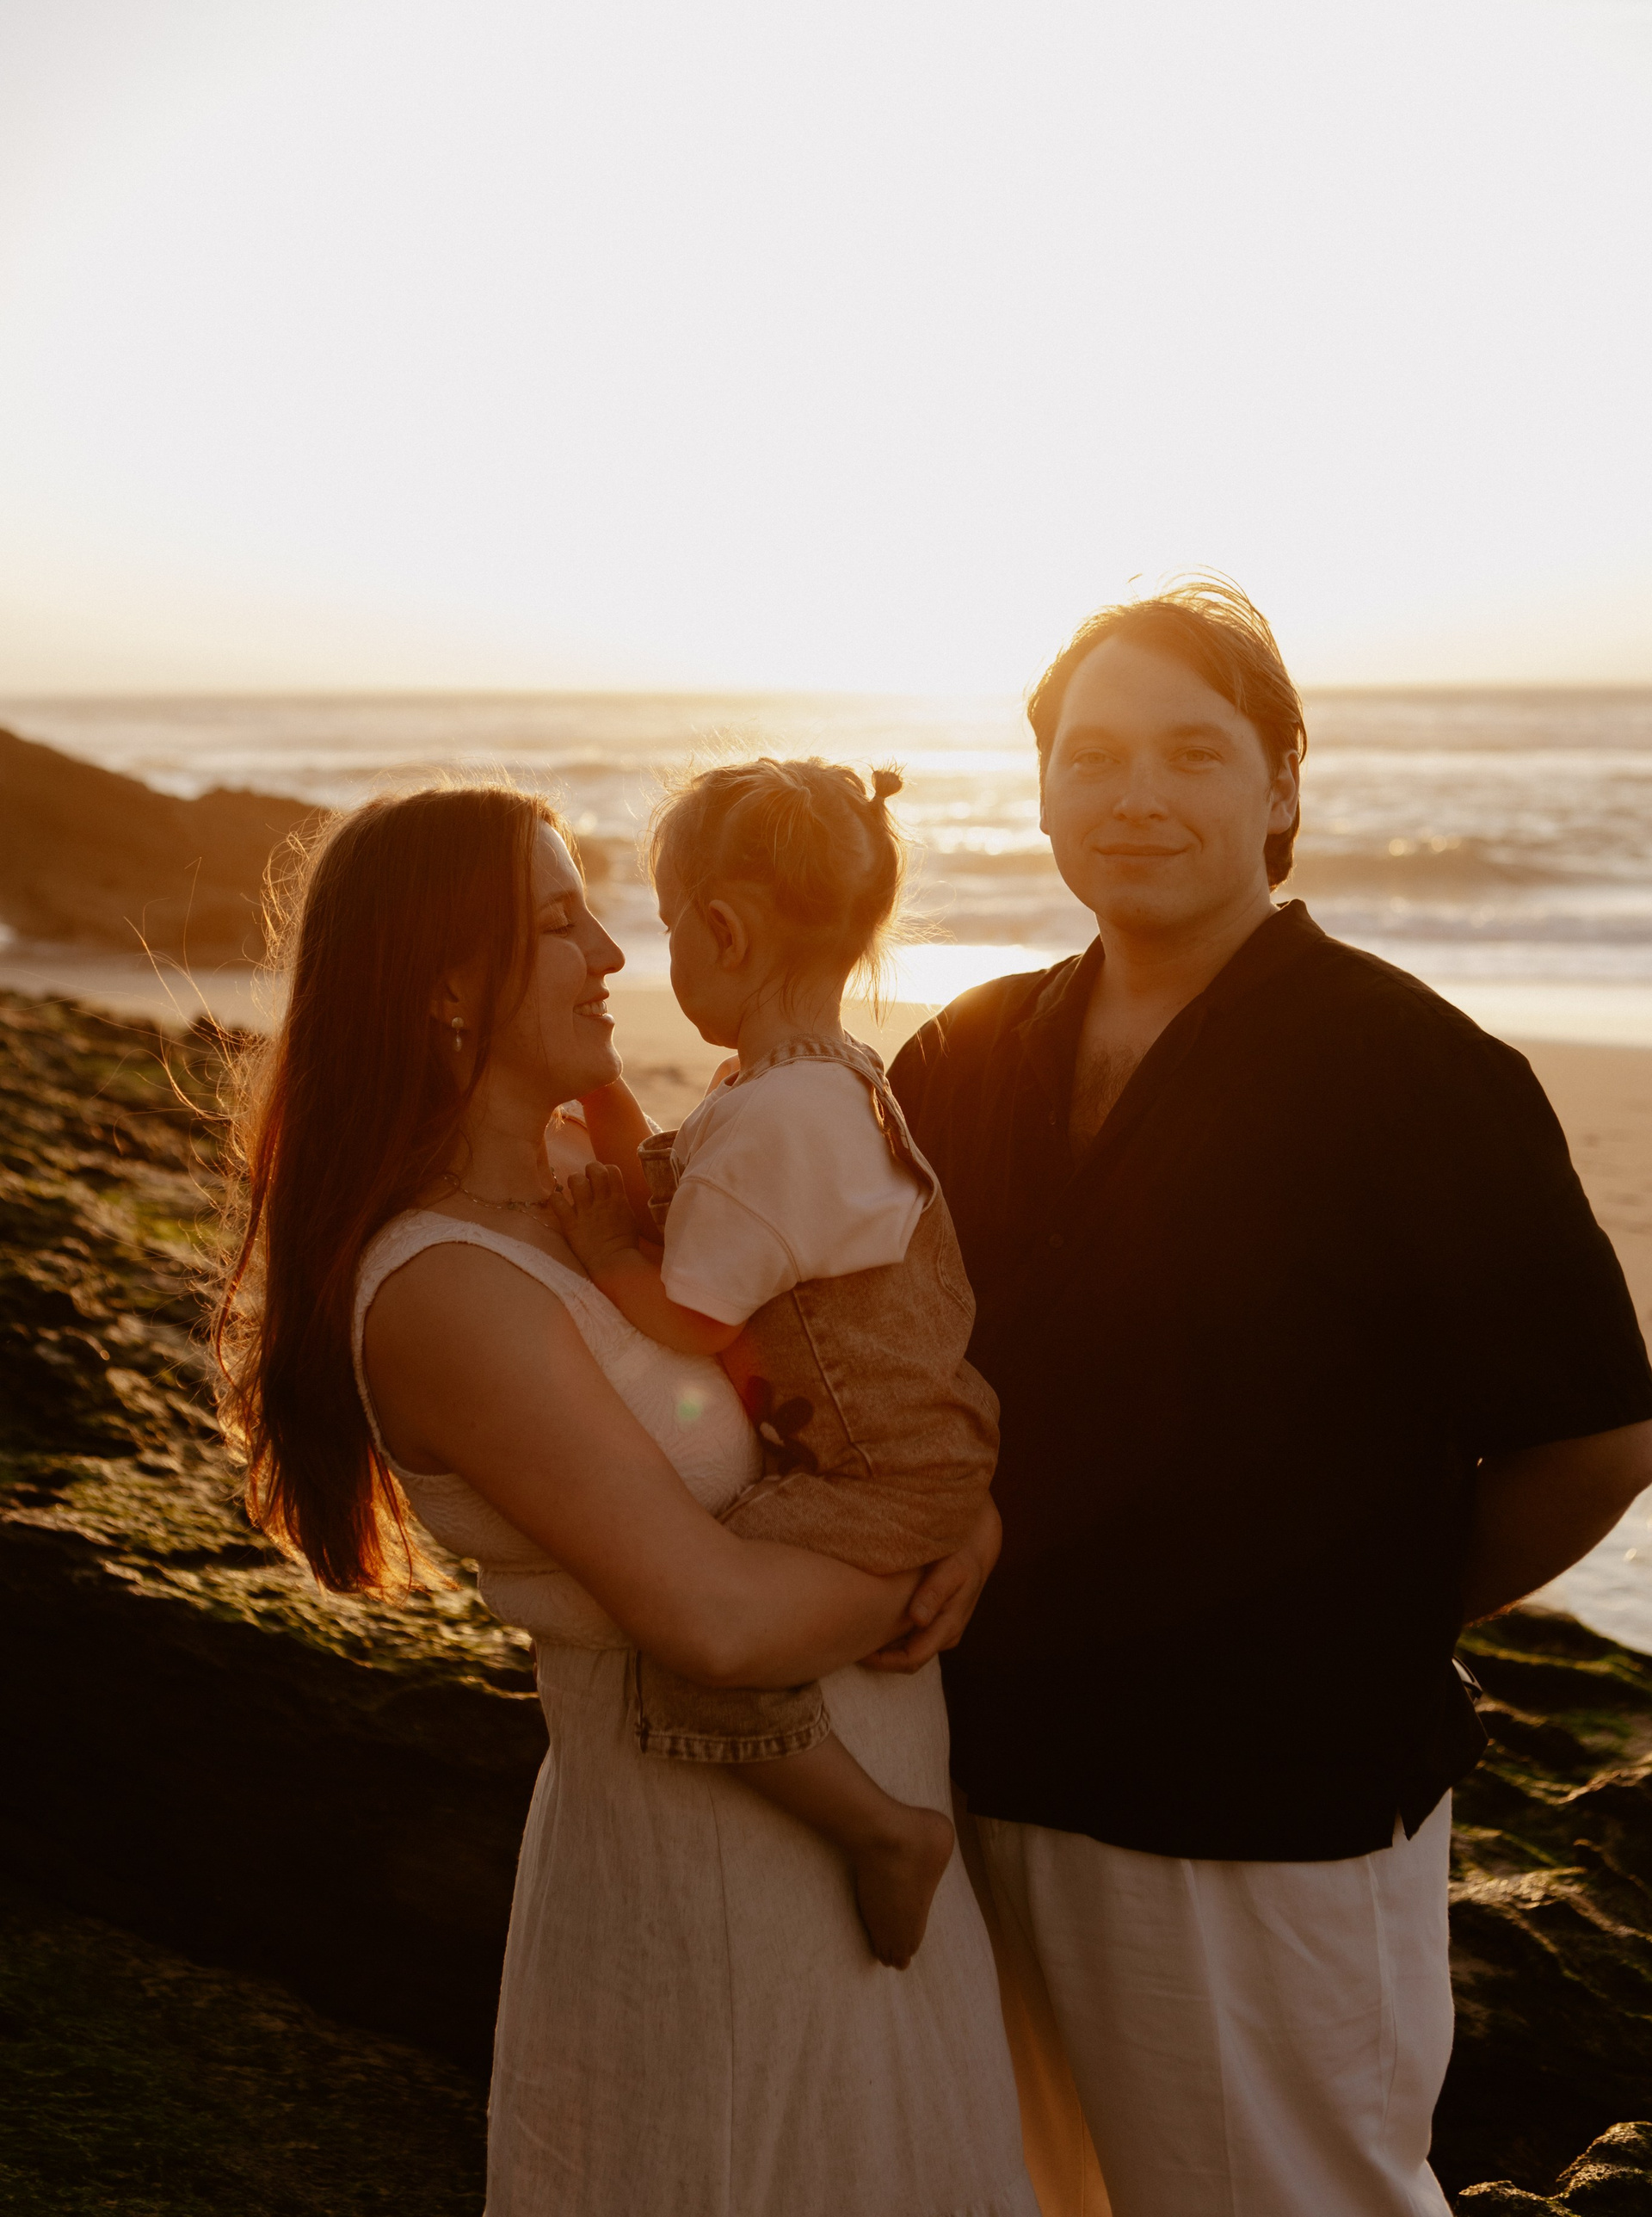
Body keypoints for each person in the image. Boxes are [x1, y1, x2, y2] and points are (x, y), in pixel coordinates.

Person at [889, 580, 1652, 2217]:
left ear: (1281, 785)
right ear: (1042, 790)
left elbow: (1596, 1434)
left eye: (1193, 752)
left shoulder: (1412, 1070)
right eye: (1094, 756)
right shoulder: (960, 1052)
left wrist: (1363, 1609)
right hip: (984, 1764)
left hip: (1265, 1802)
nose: (1137, 795)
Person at [214, 782, 1035, 2217]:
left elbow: (819, 1358)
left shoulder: (585, 1177)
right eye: (559, 920)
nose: (609, 953)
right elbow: (714, 1625)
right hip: (713, 1896)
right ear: (446, 989)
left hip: (877, 1853)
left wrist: (962, 1509)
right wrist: (922, 1555)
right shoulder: (444, 1291)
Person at [555, 756, 998, 1967]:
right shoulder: (822, 1085)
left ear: (725, 930)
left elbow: (692, 1318)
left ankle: (884, 1831)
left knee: (695, 1641)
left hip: (874, 1477)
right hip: (930, 1445)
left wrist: (605, 1253)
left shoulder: (771, 1123)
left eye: (665, 930)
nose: (656, 958)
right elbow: (691, 1188)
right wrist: (601, 1095)